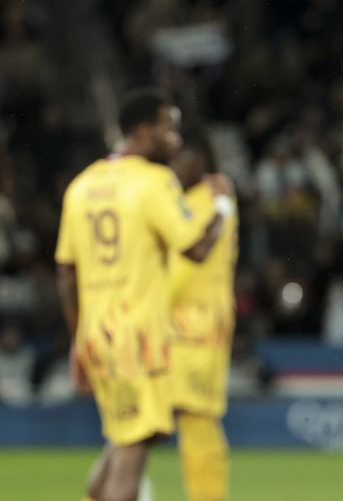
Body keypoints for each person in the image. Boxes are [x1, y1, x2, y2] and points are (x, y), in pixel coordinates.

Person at [55, 88, 232, 501]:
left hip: (97, 338)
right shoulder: (154, 183)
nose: (176, 139)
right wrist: (221, 206)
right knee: (131, 460)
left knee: (123, 442)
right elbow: (198, 249)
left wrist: (77, 340)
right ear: (143, 131)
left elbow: (66, 273)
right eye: (169, 128)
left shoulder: (82, 185)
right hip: (138, 341)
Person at [169, 133, 239, 501]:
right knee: (194, 420)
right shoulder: (214, 196)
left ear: (200, 160)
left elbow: (185, 263)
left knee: (194, 417)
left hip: (191, 325)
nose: (176, 167)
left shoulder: (204, 199)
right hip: (197, 323)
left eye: (183, 159)